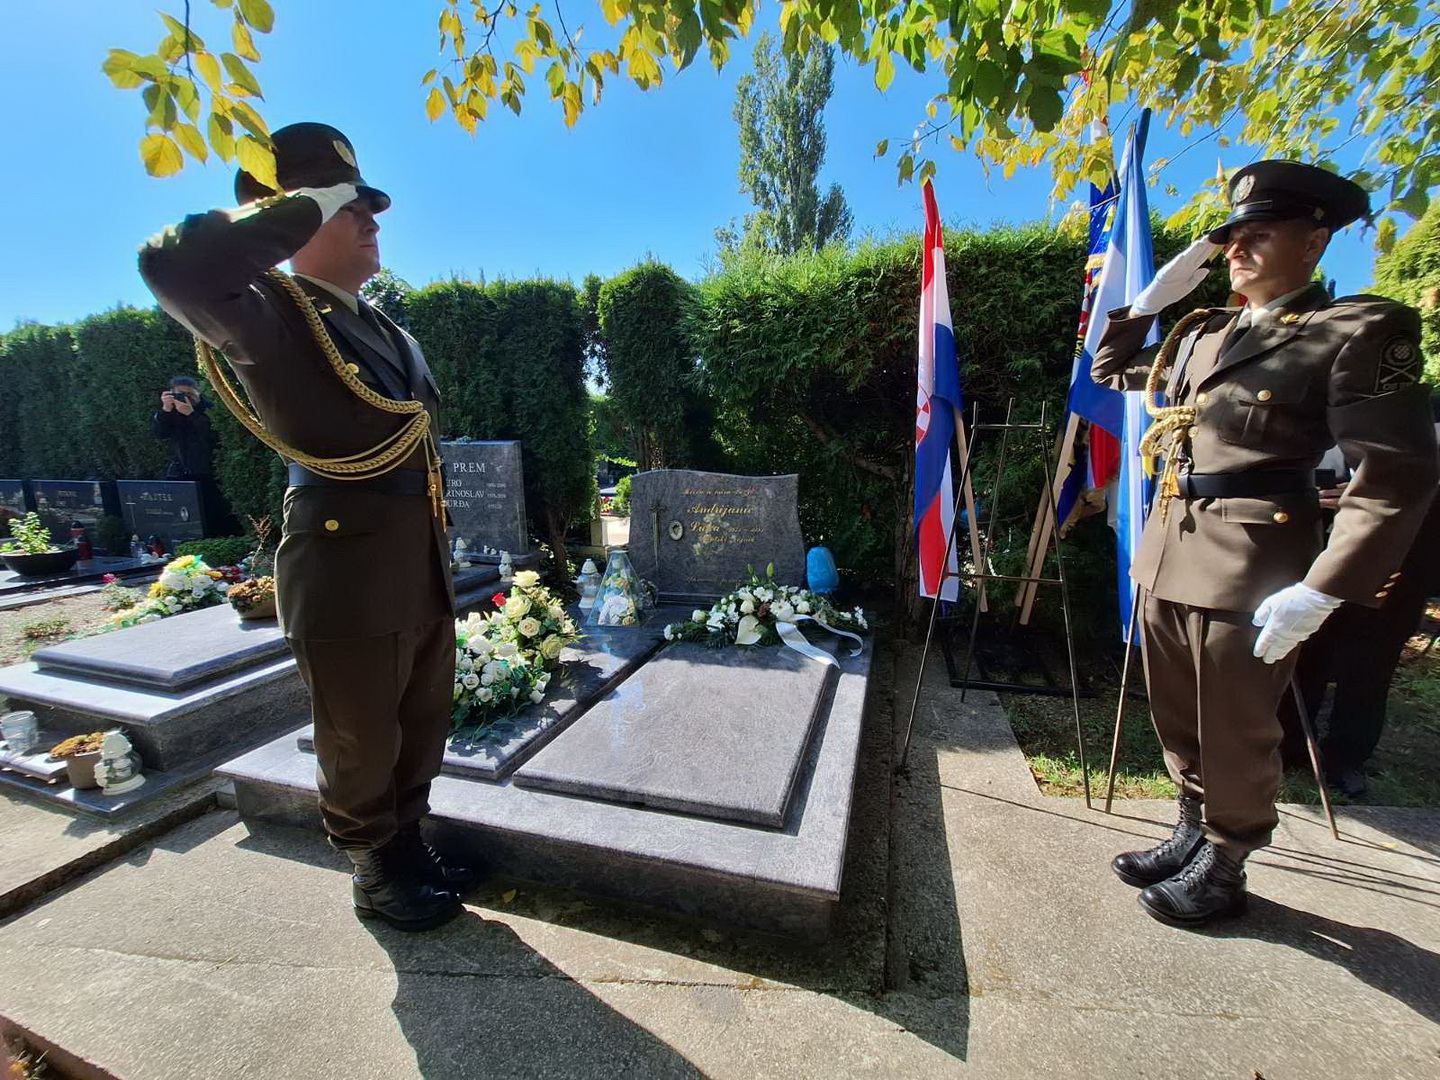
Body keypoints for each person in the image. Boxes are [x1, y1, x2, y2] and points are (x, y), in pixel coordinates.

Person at [138, 122, 476, 932]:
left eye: (366, 204)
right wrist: (298, 202)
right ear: (288, 215)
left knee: (418, 720)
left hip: (415, 559)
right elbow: (174, 264)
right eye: (345, 205)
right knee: (360, 735)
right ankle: (373, 866)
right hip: (346, 570)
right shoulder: (270, 317)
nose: (369, 218)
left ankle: (409, 844)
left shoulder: (387, 328)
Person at [1093, 160, 1438, 927]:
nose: (1239, 247)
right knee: (1178, 710)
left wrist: (1324, 587)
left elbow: (1397, 474)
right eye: (1232, 235)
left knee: (1240, 721)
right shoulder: (1202, 333)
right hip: (1171, 545)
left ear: (1314, 241)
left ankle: (1228, 855)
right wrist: (1149, 302)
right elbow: (1111, 369)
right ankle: (1190, 826)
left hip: (1256, 560)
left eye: (1261, 233)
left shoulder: (1354, 329)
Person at [1281, 394, 1440, 797]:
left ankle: (1346, 758)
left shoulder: (1424, 412)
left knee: (1371, 667)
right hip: (1312, 552)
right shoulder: (1312, 404)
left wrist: (1377, 497)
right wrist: (1304, 496)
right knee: (1302, 653)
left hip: (1398, 560)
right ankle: (1291, 746)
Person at [152, 374, 216, 479]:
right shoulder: (171, 411)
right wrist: (165, 410)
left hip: (209, 469)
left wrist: (191, 414)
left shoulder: (209, 408)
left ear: (198, 393)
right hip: (181, 468)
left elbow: (211, 433)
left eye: (190, 394)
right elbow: (160, 434)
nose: (187, 398)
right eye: (181, 394)